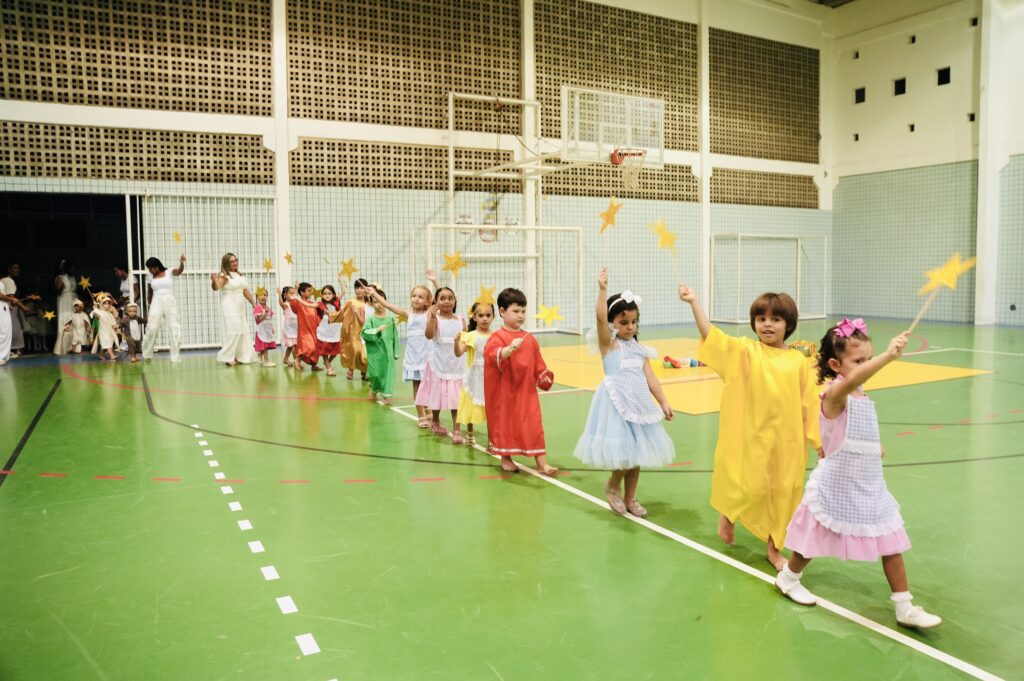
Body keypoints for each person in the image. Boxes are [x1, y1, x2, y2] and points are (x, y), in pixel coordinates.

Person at [775, 322, 941, 629]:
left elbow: (850, 432)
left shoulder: (862, 397)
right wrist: (888, 357)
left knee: (892, 542)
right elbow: (849, 390)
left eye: (869, 358)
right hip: (836, 486)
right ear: (836, 365)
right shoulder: (835, 394)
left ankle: (904, 606)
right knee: (812, 541)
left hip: (869, 485)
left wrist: (873, 447)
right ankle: (788, 578)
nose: (865, 366)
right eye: (859, 361)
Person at [680, 286, 822, 571]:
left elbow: (810, 403)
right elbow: (712, 336)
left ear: (788, 325)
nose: (767, 324)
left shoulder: (798, 361)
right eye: (761, 318)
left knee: (785, 493)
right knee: (749, 485)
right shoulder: (745, 351)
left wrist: (818, 441)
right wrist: (694, 302)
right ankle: (729, 513)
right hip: (752, 436)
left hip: (787, 442)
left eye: (775, 319)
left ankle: (774, 548)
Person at [573, 269, 675, 517]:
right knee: (625, 456)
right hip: (617, 408)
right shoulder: (609, 344)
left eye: (633, 322)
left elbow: (650, 377)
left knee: (637, 456)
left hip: (639, 406)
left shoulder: (639, 348)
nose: (630, 327)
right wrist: (602, 290)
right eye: (623, 322)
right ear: (612, 323)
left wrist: (663, 401)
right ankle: (612, 485)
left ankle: (630, 498)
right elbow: (599, 318)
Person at [483, 288, 557, 475]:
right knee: (507, 424)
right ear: (502, 311)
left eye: (523, 311)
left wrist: (543, 375)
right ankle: (506, 457)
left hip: (527, 392)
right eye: (516, 311)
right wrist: (508, 350)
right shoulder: (497, 337)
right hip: (506, 393)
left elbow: (538, 364)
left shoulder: (529, 339)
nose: (521, 315)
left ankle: (542, 463)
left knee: (534, 424)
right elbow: (492, 356)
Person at [369, 271, 438, 427]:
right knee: (416, 385)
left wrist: (434, 281)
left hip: (428, 355)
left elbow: (442, 299)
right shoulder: (408, 314)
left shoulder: (429, 314)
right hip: (414, 356)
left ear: (428, 301)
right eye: (414, 295)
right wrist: (374, 293)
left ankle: (429, 411)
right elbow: (388, 305)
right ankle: (420, 414)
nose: (416, 298)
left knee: (430, 385)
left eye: (420, 296)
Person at [415, 286, 466, 438]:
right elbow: (429, 335)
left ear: (455, 300)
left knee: (458, 397)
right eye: (442, 298)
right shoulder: (435, 318)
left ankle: (457, 429)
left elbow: (465, 338)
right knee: (437, 393)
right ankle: (435, 420)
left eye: (450, 298)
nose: (446, 301)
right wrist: (431, 317)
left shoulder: (461, 319)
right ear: (436, 302)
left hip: (457, 363)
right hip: (438, 361)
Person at [452, 301, 494, 446]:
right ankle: (470, 433)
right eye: (480, 315)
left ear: (493, 317)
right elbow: (458, 353)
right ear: (474, 317)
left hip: (490, 377)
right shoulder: (470, 336)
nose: (484, 318)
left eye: (488, 315)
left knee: (491, 409)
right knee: (471, 406)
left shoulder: (495, 337)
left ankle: (491, 440)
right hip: (473, 377)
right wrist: (456, 342)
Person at [211, 252, 256, 366]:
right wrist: (214, 280)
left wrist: (253, 303)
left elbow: (245, 291)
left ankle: (240, 355)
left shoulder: (240, 275)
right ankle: (227, 356)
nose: (235, 263)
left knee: (241, 330)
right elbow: (216, 287)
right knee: (233, 330)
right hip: (229, 305)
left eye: (236, 260)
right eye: (231, 261)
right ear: (226, 263)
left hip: (239, 306)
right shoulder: (224, 275)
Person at [142, 255, 185, 362]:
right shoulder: (150, 276)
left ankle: (175, 356)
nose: (150, 270)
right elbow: (149, 292)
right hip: (156, 301)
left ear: (157, 266)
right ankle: (147, 354)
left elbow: (179, 271)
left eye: (151, 268)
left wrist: (182, 263)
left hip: (169, 300)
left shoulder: (169, 271)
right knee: (152, 328)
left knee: (173, 327)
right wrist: (149, 306)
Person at [362, 286, 400, 405]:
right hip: (375, 352)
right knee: (375, 374)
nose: (379, 304)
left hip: (387, 352)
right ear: (372, 304)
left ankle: (387, 394)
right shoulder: (371, 319)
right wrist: (377, 330)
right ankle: (374, 389)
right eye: (375, 302)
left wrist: (396, 351)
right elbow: (364, 332)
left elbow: (395, 336)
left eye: (381, 301)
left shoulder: (390, 319)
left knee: (388, 372)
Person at [339, 278, 369, 380]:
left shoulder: (368, 304)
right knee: (355, 350)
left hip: (365, 332)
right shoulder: (351, 302)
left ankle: (364, 371)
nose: (359, 290)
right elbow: (342, 314)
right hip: (353, 333)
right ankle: (351, 369)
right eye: (357, 287)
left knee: (364, 352)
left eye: (361, 287)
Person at [287, 283, 321, 373]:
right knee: (309, 347)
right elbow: (293, 302)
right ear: (302, 292)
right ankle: (297, 360)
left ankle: (314, 365)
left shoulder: (311, 303)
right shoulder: (299, 303)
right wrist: (295, 289)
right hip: (304, 330)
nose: (311, 293)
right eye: (309, 291)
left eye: (311, 291)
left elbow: (316, 315)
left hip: (313, 329)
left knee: (315, 348)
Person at [316, 283, 343, 376]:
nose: (327, 295)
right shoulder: (320, 304)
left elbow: (343, 291)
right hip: (324, 331)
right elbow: (309, 305)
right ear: (322, 295)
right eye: (325, 293)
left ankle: (328, 361)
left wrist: (340, 280)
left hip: (335, 332)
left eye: (329, 293)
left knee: (336, 351)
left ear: (333, 295)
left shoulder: (336, 302)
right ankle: (329, 368)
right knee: (324, 352)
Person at [1, 262, 28, 359]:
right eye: (15, 268)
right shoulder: (8, 280)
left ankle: (9, 351)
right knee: (12, 329)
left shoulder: (3, 280)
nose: (18, 270)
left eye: (18, 268)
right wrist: (23, 307)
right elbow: (11, 297)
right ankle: (12, 351)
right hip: (8, 308)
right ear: (9, 270)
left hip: (6, 307)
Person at [53, 259, 78, 355]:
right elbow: (58, 290)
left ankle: (72, 347)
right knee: (65, 321)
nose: (73, 269)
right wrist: (60, 286)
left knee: (73, 321)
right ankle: (61, 348)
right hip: (64, 301)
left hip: (73, 300)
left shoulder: (72, 278)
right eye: (72, 267)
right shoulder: (60, 277)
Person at [253, 287, 277, 368]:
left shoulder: (268, 308)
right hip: (261, 330)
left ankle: (259, 355)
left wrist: (272, 328)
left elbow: (269, 319)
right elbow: (260, 319)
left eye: (265, 295)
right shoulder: (258, 307)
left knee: (265, 345)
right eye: (261, 295)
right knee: (264, 346)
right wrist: (264, 313)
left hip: (267, 330)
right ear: (257, 297)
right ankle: (266, 361)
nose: (263, 297)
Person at [91, 295, 120, 361]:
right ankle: (112, 355)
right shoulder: (100, 312)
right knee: (107, 342)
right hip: (103, 332)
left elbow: (113, 323)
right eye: (105, 303)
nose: (108, 305)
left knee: (105, 344)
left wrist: (116, 328)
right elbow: (95, 313)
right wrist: (95, 307)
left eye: (109, 304)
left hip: (109, 331)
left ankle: (100, 355)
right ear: (102, 305)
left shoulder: (110, 314)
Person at [279, 286, 298, 367]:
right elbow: (281, 303)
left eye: (294, 293)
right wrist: (279, 295)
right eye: (291, 293)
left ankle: (285, 359)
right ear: (285, 295)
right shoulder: (286, 305)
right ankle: (297, 361)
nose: (293, 295)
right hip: (289, 329)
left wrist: (296, 288)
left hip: (295, 328)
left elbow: (295, 296)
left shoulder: (294, 303)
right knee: (294, 346)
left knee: (291, 346)